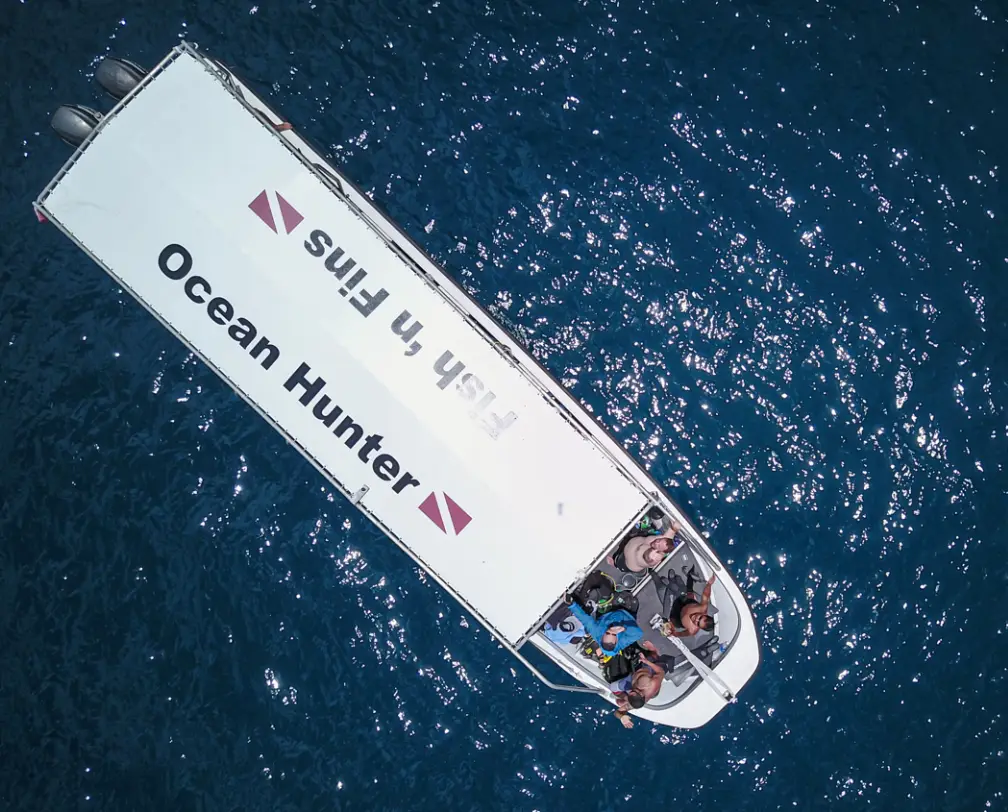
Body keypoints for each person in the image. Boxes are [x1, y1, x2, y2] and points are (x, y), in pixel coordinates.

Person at [564, 592, 643, 657]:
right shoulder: (622, 642)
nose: (611, 631)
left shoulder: (596, 632)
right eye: (614, 635)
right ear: (616, 642)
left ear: (601, 638)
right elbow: (639, 634)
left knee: (611, 594)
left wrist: (571, 605)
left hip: (611, 611)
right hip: (627, 614)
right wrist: (624, 628)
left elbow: (585, 619)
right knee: (633, 600)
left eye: (607, 633)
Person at [654, 565, 717, 638]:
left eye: (698, 623)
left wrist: (674, 633)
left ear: (699, 627)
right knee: (677, 580)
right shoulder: (703, 607)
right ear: (704, 614)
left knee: (662, 589)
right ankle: (672, 581)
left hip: (674, 613)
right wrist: (709, 584)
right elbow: (706, 595)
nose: (696, 619)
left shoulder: (692, 630)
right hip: (683, 600)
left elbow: (682, 634)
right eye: (700, 618)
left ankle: (667, 583)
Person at [608, 524, 680, 574]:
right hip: (629, 544)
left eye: (658, 546)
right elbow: (669, 535)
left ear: (660, 551)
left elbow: (649, 559)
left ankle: (614, 564)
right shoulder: (662, 542)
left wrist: (650, 557)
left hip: (625, 562)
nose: (656, 543)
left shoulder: (654, 558)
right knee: (621, 547)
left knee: (617, 562)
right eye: (658, 541)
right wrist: (673, 528)